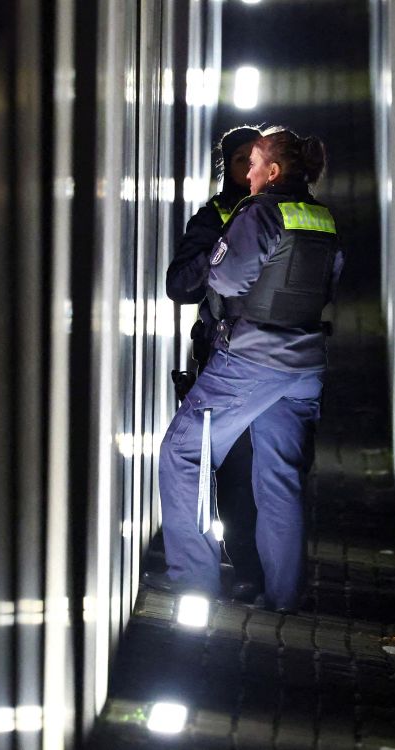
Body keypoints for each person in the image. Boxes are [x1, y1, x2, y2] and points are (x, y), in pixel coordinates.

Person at [158, 126, 343, 613]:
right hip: (305, 363)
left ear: (273, 170)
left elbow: (226, 276)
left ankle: (195, 582)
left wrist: (223, 255)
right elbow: (330, 280)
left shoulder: (260, 211)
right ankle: (283, 598)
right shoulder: (321, 217)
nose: (249, 172)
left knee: (182, 453)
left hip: (252, 357)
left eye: (256, 162)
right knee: (279, 477)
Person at [162, 125, 265, 602]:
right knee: (223, 468)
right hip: (221, 356)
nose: (252, 168)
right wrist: (222, 253)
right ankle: (235, 566)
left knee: (263, 472)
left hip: (267, 359)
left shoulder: (279, 210)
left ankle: (254, 569)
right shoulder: (214, 215)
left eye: (258, 158)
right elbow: (180, 285)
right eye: (242, 159)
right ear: (228, 166)